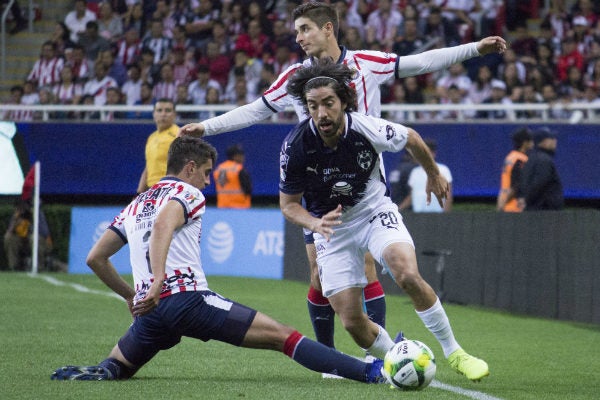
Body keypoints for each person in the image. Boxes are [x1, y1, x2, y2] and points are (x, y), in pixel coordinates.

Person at [180, 1, 506, 362]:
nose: (299, 37)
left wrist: (475, 49)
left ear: (327, 29)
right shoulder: (295, 78)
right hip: (319, 190)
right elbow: (257, 109)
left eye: (305, 28)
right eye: (297, 30)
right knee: (318, 275)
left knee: (373, 267)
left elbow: (422, 62)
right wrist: (207, 127)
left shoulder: (366, 64)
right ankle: (330, 356)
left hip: (366, 186)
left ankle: (380, 358)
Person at [50, 136, 385, 383]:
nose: (208, 182)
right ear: (190, 167)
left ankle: (106, 368)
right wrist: (158, 279)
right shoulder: (187, 192)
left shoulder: (137, 204)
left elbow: (96, 258)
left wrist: (131, 295)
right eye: (207, 173)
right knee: (283, 336)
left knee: (116, 368)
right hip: (187, 300)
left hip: (150, 314)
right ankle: (372, 371)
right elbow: (166, 223)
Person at [279, 58, 489, 382]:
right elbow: (289, 205)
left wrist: (433, 173)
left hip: (374, 211)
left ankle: (455, 352)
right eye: (313, 106)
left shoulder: (366, 128)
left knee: (405, 272)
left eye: (328, 103)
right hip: (331, 228)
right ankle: (397, 358)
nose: (321, 113)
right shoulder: (295, 146)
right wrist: (313, 224)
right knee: (351, 320)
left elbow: (413, 139)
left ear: (344, 102)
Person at [136, 99, 179, 194]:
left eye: (167, 111)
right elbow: (148, 167)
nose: (163, 114)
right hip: (152, 190)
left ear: (174, 114)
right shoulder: (152, 137)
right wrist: (139, 193)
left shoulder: (178, 135)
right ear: (154, 114)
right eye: (159, 110)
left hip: (170, 190)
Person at [399, 139, 454, 213]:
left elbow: (448, 196)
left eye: (426, 152)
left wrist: (446, 217)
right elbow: (411, 196)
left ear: (433, 153)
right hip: (418, 218)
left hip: (438, 216)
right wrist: (398, 210)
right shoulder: (415, 172)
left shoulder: (443, 170)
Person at [519, 128, 564, 211]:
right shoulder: (544, 160)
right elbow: (539, 184)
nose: (555, 141)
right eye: (551, 138)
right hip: (543, 211)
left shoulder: (531, 157)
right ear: (542, 142)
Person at [496, 127, 533, 212]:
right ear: (524, 143)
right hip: (515, 206)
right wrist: (503, 204)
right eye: (530, 140)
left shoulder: (510, 157)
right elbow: (516, 185)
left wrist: (501, 204)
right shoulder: (521, 160)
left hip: (506, 204)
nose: (532, 143)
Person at [213, 144, 252, 209]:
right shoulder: (239, 169)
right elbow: (248, 188)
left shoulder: (219, 168)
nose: (243, 157)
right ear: (235, 156)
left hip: (222, 206)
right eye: (241, 155)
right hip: (239, 206)